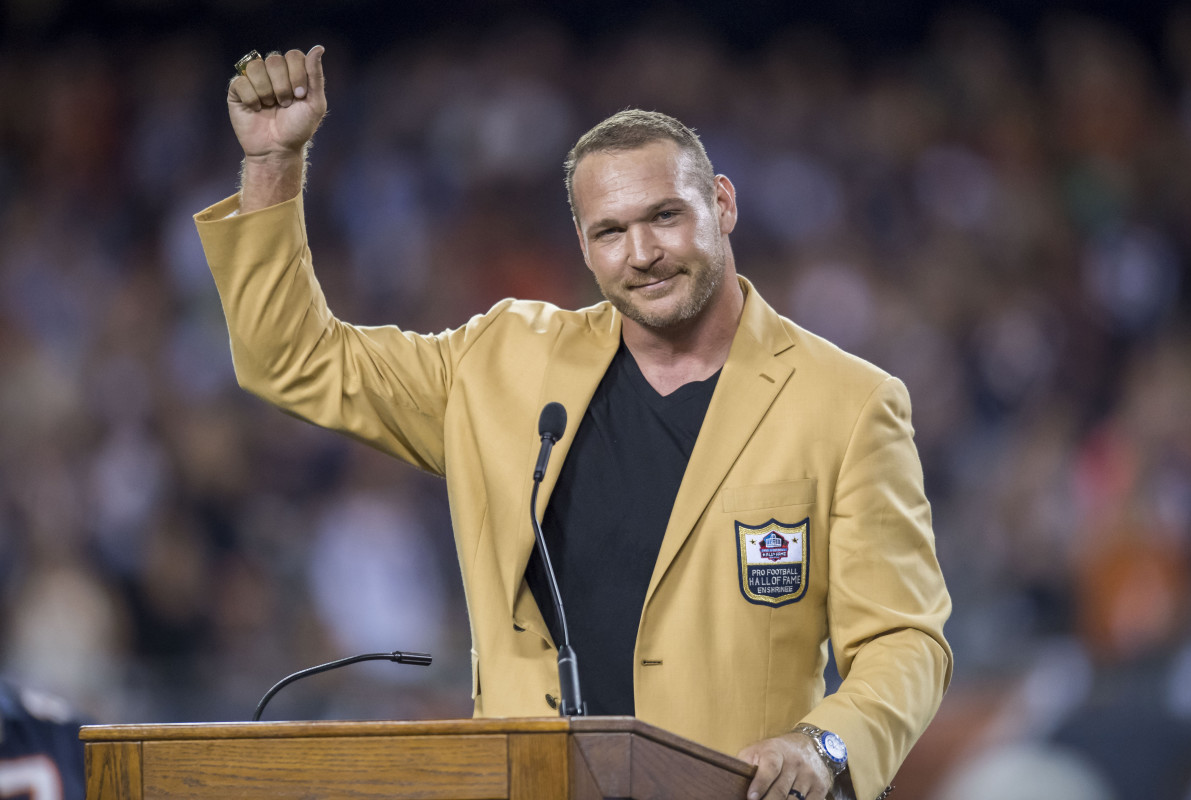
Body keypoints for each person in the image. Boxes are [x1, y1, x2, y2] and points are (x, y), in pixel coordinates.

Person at [196, 45, 953, 800]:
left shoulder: (848, 403)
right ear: (584, 245)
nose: (644, 254)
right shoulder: (500, 365)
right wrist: (272, 166)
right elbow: (291, 357)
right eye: (611, 232)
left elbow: (904, 638)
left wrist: (824, 744)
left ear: (722, 204)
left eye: (666, 216)